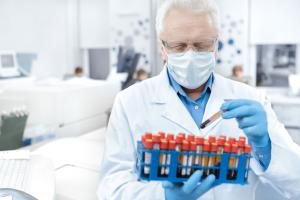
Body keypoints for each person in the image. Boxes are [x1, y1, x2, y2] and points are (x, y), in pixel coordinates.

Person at [98, 0, 300, 199]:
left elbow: (296, 184)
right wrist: (163, 197)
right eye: (178, 46)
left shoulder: (251, 98)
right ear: (162, 48)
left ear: (215, 45)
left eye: (201, 44)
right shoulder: (129, 102)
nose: (190, 55)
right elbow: (111, 188)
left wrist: (265, 147)